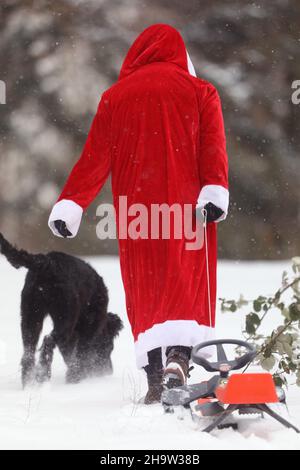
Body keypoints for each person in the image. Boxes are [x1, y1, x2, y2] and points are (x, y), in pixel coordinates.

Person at [48, 24, 229, 404]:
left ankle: (153, 380)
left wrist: (72, 204)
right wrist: (214, 190)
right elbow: (212, 148)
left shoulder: (115, 97)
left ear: (137, 55)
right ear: (179, 53)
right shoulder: (201, 91)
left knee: (146, 286)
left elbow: (94, 159)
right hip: (186, 209)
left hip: (136, 211)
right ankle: (179, 359)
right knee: (185, 279)